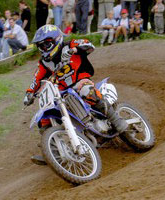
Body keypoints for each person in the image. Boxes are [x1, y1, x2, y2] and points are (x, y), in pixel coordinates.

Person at [23, 25, 128, 163]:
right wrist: (30, 93)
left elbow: (89, 44)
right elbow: (37, 79)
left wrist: (75, 50)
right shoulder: (45, 63)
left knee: (86, 90)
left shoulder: (69, 45)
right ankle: (52, 150)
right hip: (63, 93)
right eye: (41, 46)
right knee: (45, 116)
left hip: (80, 81)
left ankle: (116, 120)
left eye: (46, 44)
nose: (43, 49)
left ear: (56, 39)